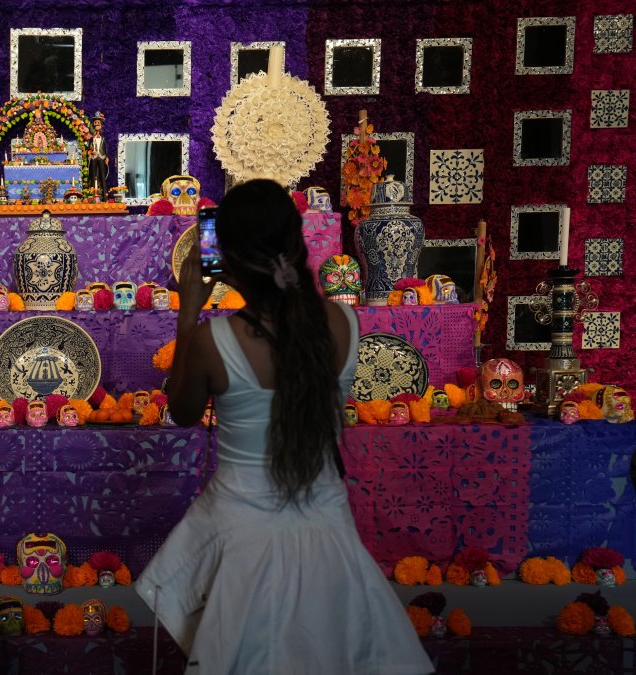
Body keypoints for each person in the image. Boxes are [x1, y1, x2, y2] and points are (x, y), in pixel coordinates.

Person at [134, 179, 433, 675]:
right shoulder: (343, 321)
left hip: (244, 534)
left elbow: (183, 411)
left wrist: (188, 313)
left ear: (226, 260)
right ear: (296, 243)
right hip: (327, 527)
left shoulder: (215, 340)